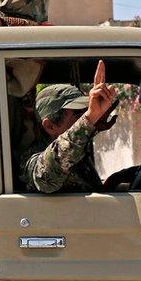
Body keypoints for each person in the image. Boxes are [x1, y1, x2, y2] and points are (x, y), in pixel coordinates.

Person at [20, 61, 117, 193]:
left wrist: (95, 126)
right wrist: (89, 118)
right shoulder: (32, 160)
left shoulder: (76, 151)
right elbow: (46, 178)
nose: (84, 119)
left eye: (85, 112)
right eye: (78, 115)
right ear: (50, 126)